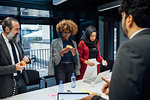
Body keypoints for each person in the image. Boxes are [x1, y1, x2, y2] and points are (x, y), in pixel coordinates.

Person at [81, 0, 150, 100]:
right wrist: (118, 88)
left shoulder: (130, 48)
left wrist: (94, 98)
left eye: (122, 17)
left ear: (129, 19)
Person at [0, 17, 30, 98]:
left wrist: (26, 58)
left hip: (21, 80)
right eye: (16, 29)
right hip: (6, 85)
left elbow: (22, 55)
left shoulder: (15, 40)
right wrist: (14, 68)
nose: (19, 32)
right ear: (7, 29)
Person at [48, 19, 80, 85]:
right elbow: (53, 60)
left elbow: (75, 60)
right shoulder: (55, 42)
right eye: (64, 32)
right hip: (60, 67)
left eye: (68, 33)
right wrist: (60, 53)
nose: (66, 34)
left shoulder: (73, 43)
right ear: (61, 32)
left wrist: (74, 54)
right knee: (61, 86)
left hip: (71, 67)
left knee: (71, 86)